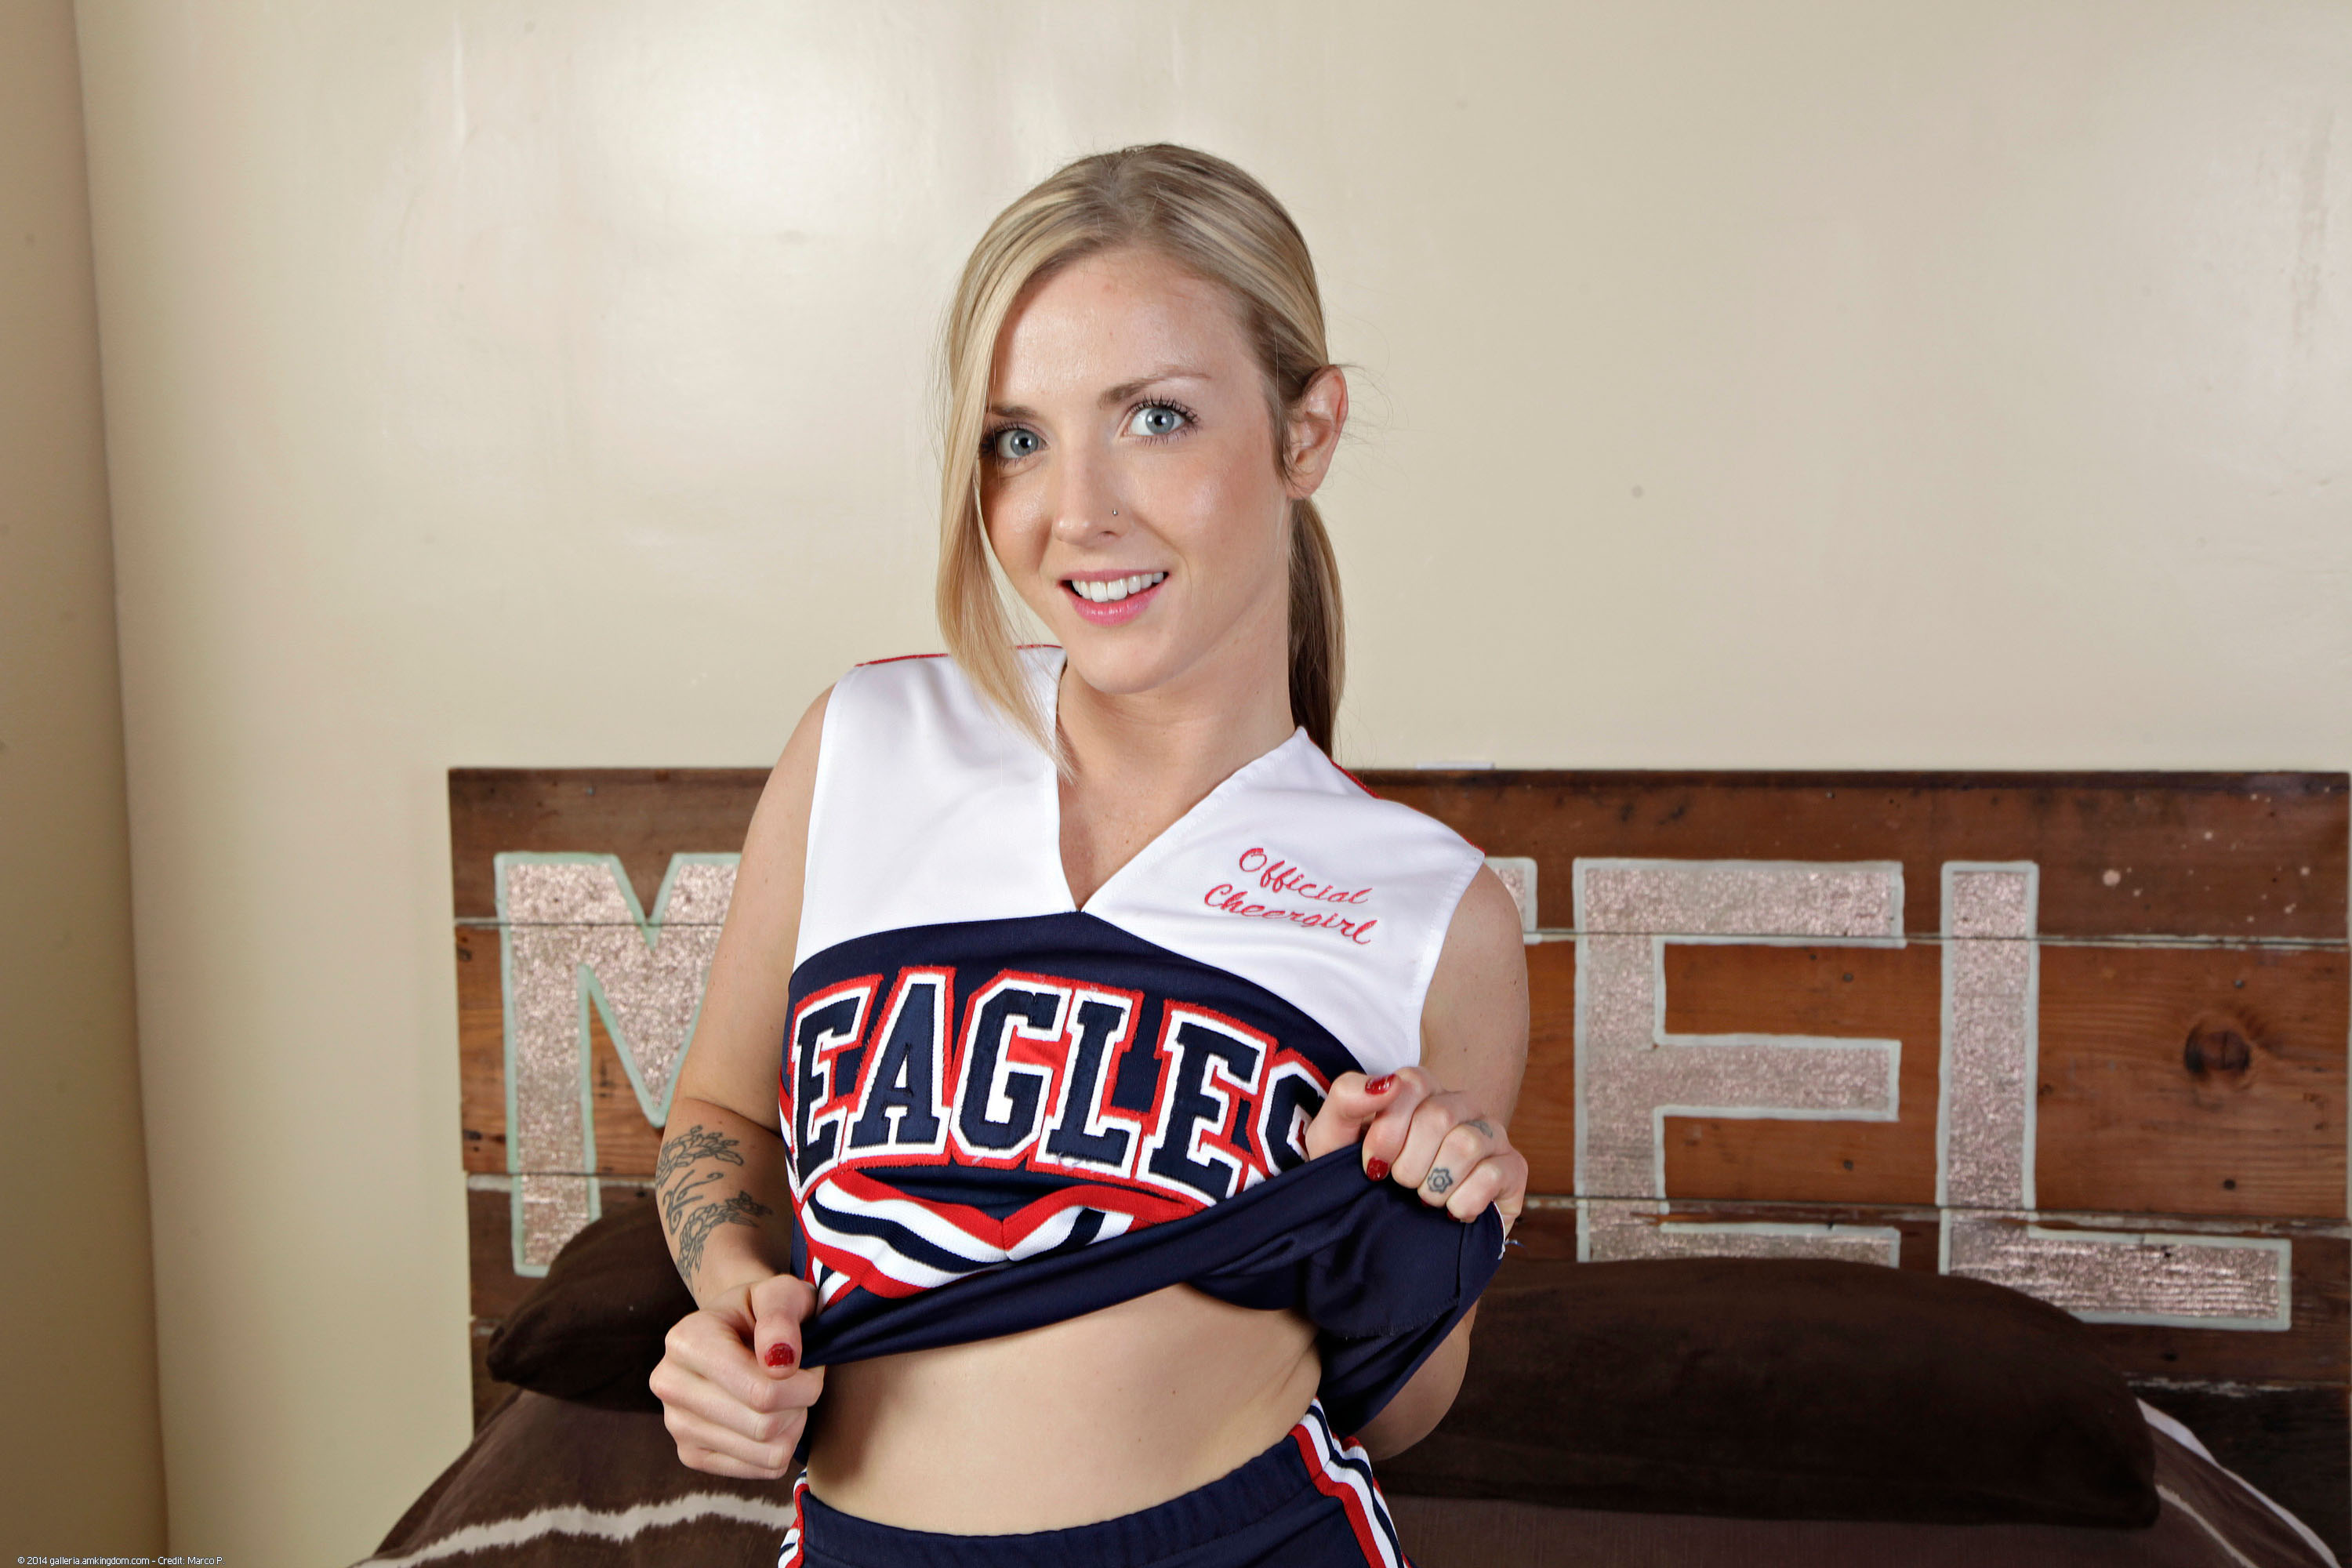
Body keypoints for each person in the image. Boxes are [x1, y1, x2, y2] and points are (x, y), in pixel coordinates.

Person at [647, 143, 1530, 1567]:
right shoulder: (867, 744)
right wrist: (736, 1295)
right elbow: (721, 1114)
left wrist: (1410, 1222)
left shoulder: (1432, 910)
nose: (1078, 512)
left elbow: (1404, 1407)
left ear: (1307, 433)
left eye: (1156, 418)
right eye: (1018, 439)